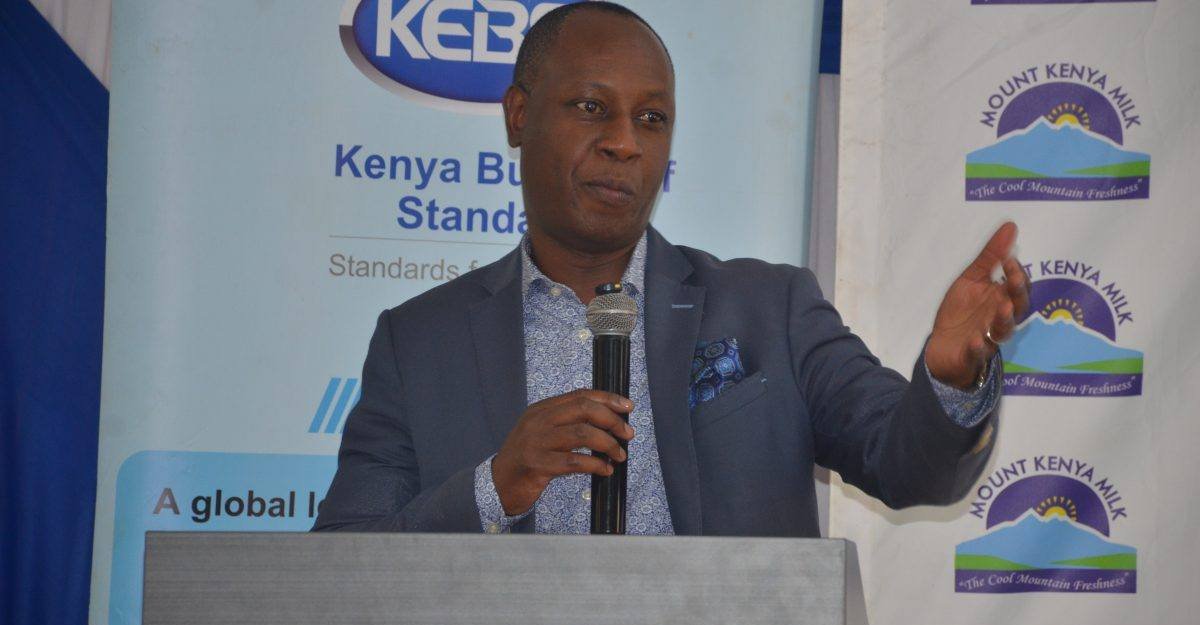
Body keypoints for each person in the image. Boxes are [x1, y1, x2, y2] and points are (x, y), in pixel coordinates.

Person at [313, 2, 1029, 536]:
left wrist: (952, 378)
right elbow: (342, 568)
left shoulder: (768, 308)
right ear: (518, 117)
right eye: (593, 108)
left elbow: (908, 464)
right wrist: (494, 487)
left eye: (651, 119)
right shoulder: (419, 343)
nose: (625, 143)